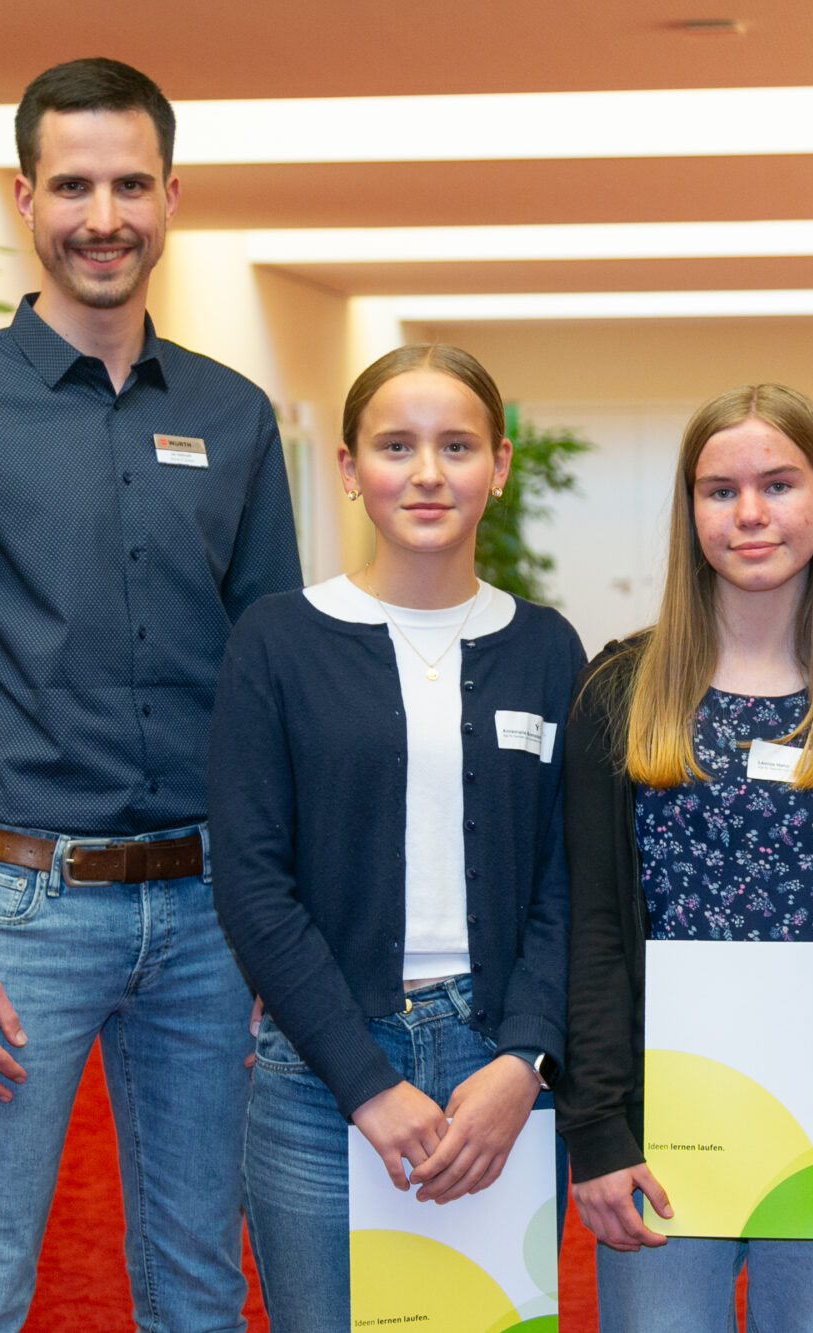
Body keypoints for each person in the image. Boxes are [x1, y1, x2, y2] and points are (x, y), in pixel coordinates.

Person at [0, 58, 301, 1333]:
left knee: (201, 1285)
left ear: (171, 197)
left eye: (131, 185)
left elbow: (272, 694)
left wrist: (281, 917)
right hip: (9, 916)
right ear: (26, 197)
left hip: (206, 918)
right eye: (75, 186)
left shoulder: (233, 416)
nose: (105, 217)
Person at [209, 345, 582, 1333]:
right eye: (395, 446)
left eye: (456, 446)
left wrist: (525, 1060)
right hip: (319, 1068)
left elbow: (569, 880)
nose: (427, 473)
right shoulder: (276, 640)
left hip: (499, 1072)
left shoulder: (546, 647)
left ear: (498, 465)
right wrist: (365, 1083)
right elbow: (251, 883)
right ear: (347, 467)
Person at [558, 383, 813, 1332]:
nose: (751, 513)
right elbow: (594, 925)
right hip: (659, 1126)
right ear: (690, 510)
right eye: (720, 490)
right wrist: (596, 1126)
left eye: (779, 484)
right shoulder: (620, 693)